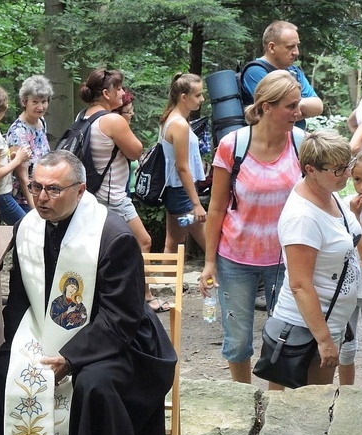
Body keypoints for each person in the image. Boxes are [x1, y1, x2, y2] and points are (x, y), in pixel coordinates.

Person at [0, 150, 176, 435]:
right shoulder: (29, 228)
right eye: (36, 187)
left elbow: (121, 316)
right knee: (2, 371)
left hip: (123, 343)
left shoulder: (113, 235)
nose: (42, 198)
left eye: (54, 190)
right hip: (49, 333)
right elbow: (21, 297)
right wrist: (22, 346)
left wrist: (72, 358)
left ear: (81, 189)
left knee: (94, 383)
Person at [199, 70, 304, 383]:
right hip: (235, 258)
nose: (298, 113)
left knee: (284, 337)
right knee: (238, 339)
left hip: (287, 259)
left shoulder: (300, 143)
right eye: (291, 106)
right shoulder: (233, 145)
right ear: (267, 107)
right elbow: (216, 207)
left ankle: (275, 406)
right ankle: (244, 405)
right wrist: (208, 262)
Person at [270, 131, 360, 389]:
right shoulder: (302, 218)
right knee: (302, 407)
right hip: (305, 329)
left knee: (314, 405)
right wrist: (324, 340)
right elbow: (300, 284)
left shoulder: (329, 192)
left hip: (329, 321)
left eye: (348, 166)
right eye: (338, 170)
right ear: (310, 169)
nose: (346, 175)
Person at [79, 69, 167, 313]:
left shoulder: (84, 116)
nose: (123, 92)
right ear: (106, 94)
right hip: (113, 197)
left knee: (102, 249)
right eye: (118, 89)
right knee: (143, 241)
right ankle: (143, 298)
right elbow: (136, 151)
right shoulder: (112, 120)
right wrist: (124, 122)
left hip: (93, 197)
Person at [241, 20, 323, 129]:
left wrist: (292, 105)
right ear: (271, 47)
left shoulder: (294, 71)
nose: (296, 52)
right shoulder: (255, 71)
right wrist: (303, 110)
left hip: (296, 140)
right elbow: (272, 114)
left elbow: (318, 106)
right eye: (290, 47)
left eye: (297, 46)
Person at [159, 73, 207, 255]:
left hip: (175, 190)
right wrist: (196, 204)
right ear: (184, 97)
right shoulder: (179, 124)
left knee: (173, 241)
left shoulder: (171, 118)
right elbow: (182, 167)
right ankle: (224, 282)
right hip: (182, 192)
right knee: (210, 243)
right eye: (198, 95)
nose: (201, 99)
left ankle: (164, 283)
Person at [341, 150, 362, 384]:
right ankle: (345, 397)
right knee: (345, 347)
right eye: (357, 179)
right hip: (347, 287)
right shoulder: (343, 206)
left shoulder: (351, 211)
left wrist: (355, 218)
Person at [6, 75, 53, 213]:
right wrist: (35, 210)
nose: (40, 107)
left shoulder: (41, 122)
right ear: (24, 102)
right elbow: (22, 177)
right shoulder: (18, 132)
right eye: (35, 102)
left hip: (43, 193)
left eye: (44, 101)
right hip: (26, 199)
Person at [0, 85, 31, 225]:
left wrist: (10, 159)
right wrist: (18, 160)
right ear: (5, 107)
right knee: (26, 228)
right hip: (1, 196)